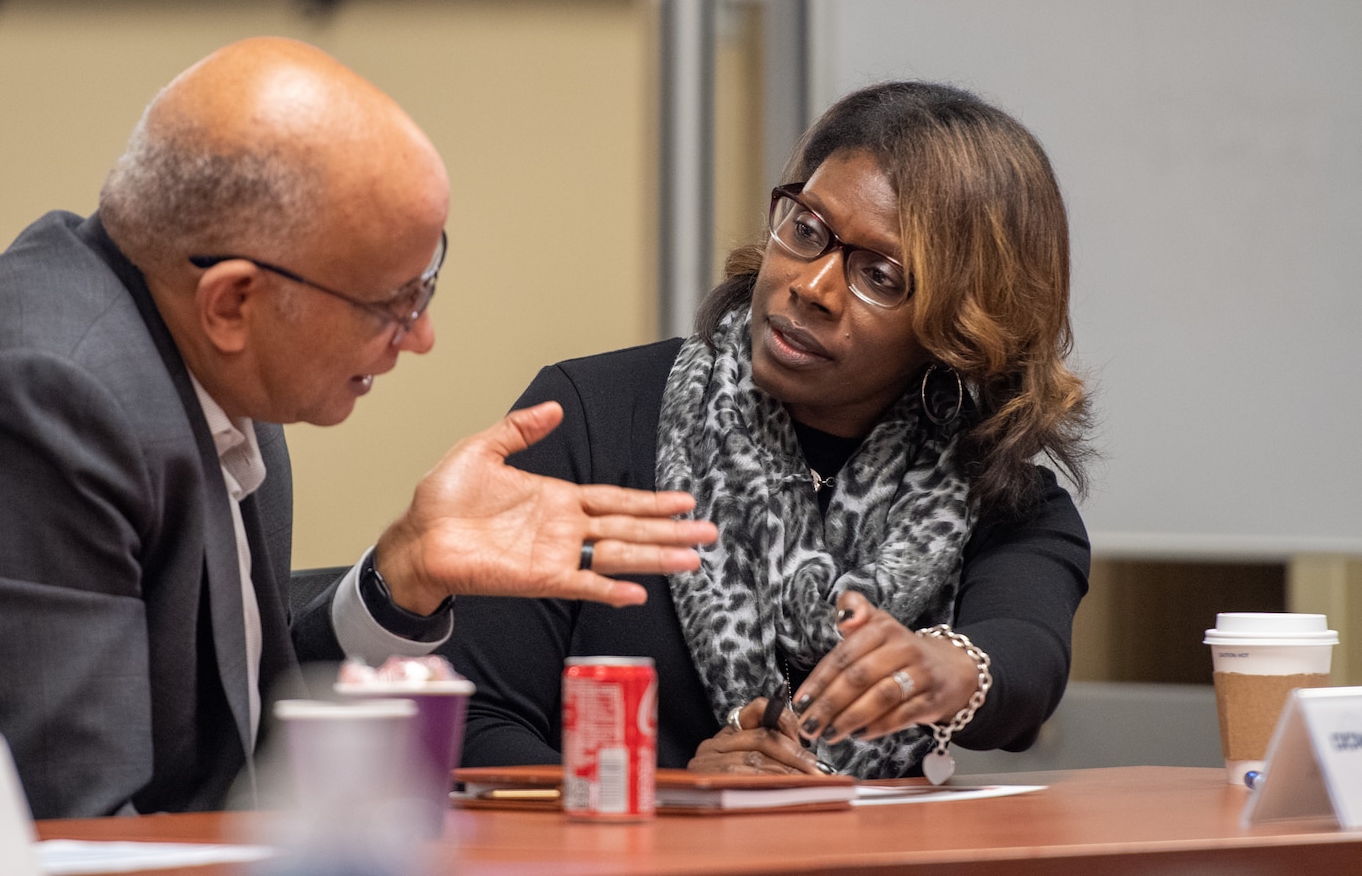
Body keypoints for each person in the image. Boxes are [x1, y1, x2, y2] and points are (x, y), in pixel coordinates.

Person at [0, 37, 715, 818]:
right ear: (234, 301)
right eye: (392, 304)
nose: (421, 338)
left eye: (425, 285)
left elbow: (231, 731)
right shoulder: (32, 403)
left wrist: (402, 575)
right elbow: (82, 835)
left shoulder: (196, 362)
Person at [446, 81, 1093, 779]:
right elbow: (474, 728)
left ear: (959, 328)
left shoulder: (1001, 502)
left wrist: (942, 668)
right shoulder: (592, 419)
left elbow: (1026, 657)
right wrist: (671, 803)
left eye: (879, 274)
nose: (813, 286)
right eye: (808, 229)